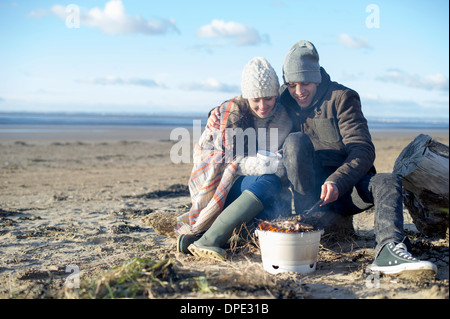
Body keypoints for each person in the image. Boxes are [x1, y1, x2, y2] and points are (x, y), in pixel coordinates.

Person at [278, 40, 437, 278]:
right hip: (309, 198)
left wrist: (336, 181)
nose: (298, 91)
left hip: (348, 188)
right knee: (293, 142)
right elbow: (254, 103)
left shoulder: (342, 97)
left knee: (387, 180)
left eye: (305, 83)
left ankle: (389, 249)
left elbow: (363, 149)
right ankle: (307, 230)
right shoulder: (283, 100)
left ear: (317, 78)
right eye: (291, 84)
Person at [175, 57, 293, 261]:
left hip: (251, 188)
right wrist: (271, 165)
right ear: (247, 97)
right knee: (269, 180)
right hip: (222, 185)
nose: (263, 105)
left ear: (276, 95)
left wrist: (274, 163)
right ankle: (210, 239)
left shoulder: (283, 117)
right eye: (256, 100)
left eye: (268, 98)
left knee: (275, 212)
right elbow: (231, 163)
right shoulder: (233, 112)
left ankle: (199, 238)